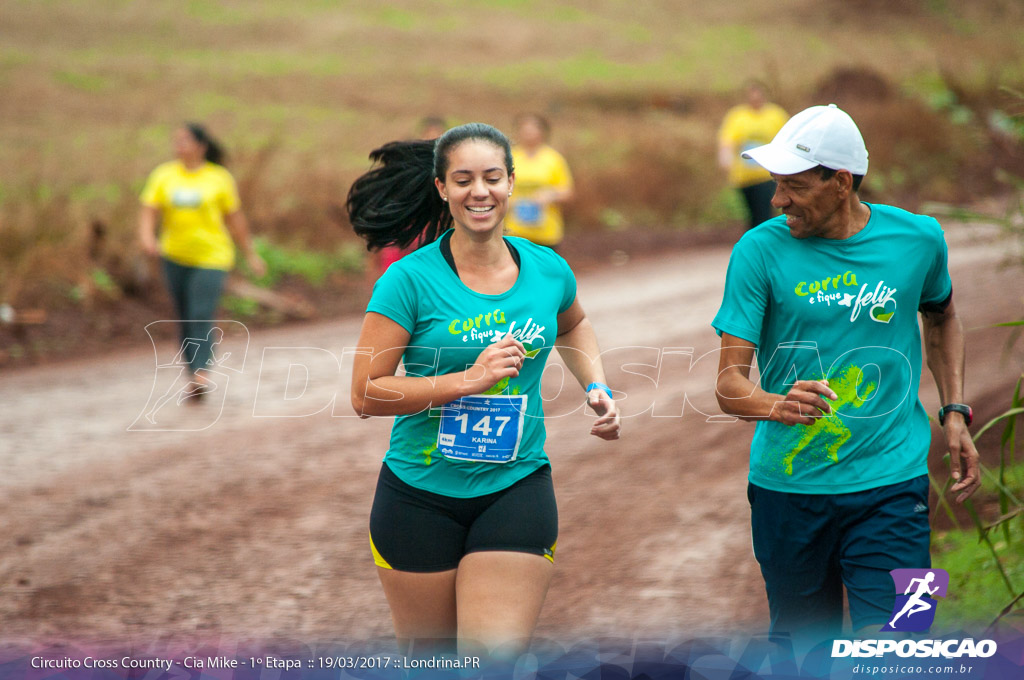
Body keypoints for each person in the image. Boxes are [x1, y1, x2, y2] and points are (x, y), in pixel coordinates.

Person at [347, 123, 620, 658]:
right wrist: (468, 380)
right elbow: (365, 394)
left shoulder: (547, 269)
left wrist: (596, 384)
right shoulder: (407, 280)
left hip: (515, 487)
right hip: (418, 495)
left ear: (512, 184)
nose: (480, 191)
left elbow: (573, 325)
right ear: (442, 188)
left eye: (492, 177)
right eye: (464, 179)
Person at [712, 104, 980, 641]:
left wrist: (953, 410)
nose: (777, 200)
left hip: (894, 487)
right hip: (788, 492)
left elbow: (942, 315)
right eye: (775, 184)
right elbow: (728, 386)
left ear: (840, 182)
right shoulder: (758, 252)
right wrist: (775, 403)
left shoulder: (918, 239)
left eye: (793, 186)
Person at [138, 123, 266, 395]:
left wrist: (250, 254)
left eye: (185, 140)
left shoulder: (219, 178)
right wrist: (148, 237)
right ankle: (192, 372)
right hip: (174, 256)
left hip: (212, 256)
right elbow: (149, 210)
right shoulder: (164, 175)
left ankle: (201, 371)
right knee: (184, 316)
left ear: (201, 146)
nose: (179, 146)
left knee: (200, 313)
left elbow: (235, 219)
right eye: (176, 141)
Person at [374, 117, 448, 275]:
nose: (432, 141)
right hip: (402, 240)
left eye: (438, 137)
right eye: (429, 135)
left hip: (432, 240)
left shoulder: (449, 172)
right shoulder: (408, 169)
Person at [717, 80, 788, 230]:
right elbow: (727, 140)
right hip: (744, 177)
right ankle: (754, 244)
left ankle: (763, 244)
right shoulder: (737, 116)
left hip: (766, 175)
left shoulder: (775, 115)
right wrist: (725, 157)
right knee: (752, 215)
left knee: (763, 214)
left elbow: (786, 141)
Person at [504, 113, 574, 249]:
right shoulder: (509, 157)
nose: (528, 134)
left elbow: (568, 192)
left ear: (543, 132)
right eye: (524, 130)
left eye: (532, 130)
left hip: (546, 232)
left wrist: (551, 195)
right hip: (515, 231)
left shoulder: (554, 159)